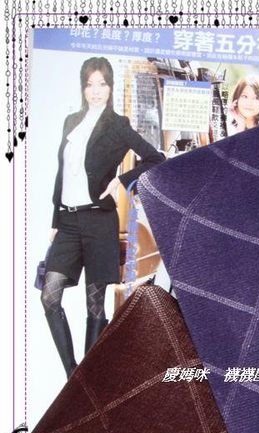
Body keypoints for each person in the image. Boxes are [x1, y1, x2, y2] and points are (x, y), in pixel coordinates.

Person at [41, 56, 165, 378]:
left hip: (99, 222)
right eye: (90, 84)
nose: (96, 91)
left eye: (102, 84)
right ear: (83, 87)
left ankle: (88, 379)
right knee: (50, 296)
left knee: (94, 304)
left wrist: (121, 181)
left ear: (110, 87)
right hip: (68, 222)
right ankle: (73, 375)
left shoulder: (117, 125)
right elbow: (61, 174)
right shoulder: (71, 121)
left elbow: (155, 158)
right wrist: (55, 220)